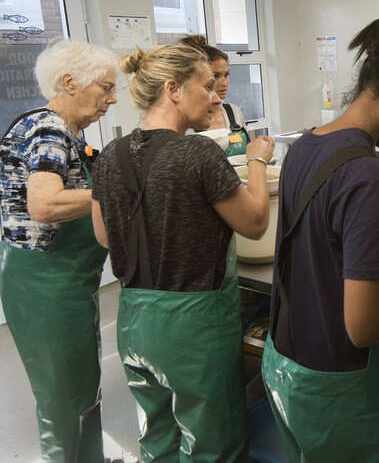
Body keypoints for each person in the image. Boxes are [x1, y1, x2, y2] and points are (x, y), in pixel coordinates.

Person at [262, 18, 379, 462]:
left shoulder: (305, 146)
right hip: (337, 389)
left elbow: (323, 259)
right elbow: (363, 328)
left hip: (287, 365)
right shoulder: (368, 177)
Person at [91, 43, 276, 462]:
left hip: (134, 321)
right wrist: (257, 162)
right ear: (173, 89)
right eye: (208, 85)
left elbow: (104, 236)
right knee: (212, 443)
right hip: (194, 328)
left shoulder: (108, 156)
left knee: (157, 435)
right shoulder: (198, 153)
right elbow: (255, 223)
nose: (215, 96)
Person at [0, 39, 117, 462]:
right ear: (70, 82)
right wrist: (113, 190)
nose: (112, 97)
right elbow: (44, 204)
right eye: (105, 87)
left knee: (80, 382)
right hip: (44, 281)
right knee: (63, 393)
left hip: (65, 278)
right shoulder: (48, 131)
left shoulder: (67, 133)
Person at [179, 34, 250, 156]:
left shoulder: (233, 112)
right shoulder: (186, 123)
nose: (224, 82)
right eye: (216, 76)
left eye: (226, 75)